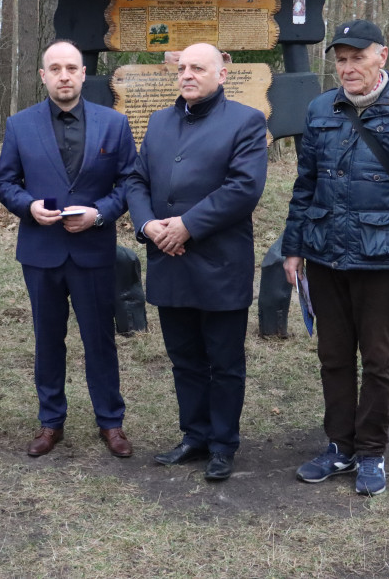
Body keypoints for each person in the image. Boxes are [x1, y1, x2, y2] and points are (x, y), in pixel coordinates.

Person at [282, 19, 389, 496]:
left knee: (377, 359)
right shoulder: (319, 108)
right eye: (341, 60)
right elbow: (305, 184)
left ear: (382, 57)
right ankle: (339, 446)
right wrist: (293, 247)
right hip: (326, 254)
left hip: (383, 260)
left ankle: (371, 451)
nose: (348, 68)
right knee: (333, 356)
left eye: (357, 58)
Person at [127, 42, 268, 481]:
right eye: (182, 67)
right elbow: (136, 179)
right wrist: (149, 226)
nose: (187, 74)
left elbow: (243, 188)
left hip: (219, 261)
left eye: (198, 68)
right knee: (184, 357)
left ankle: (224, 443)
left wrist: (186, 225)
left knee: (224, 360)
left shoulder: (245, 122)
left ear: (221, 74)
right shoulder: (159, 121)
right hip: (168, 260)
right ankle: (195, 434)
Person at [0, 40, 137, 458]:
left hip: (93, 249)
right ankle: (50, 421)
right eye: (54, 68)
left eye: (71, 68)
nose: (64, 75)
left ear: (83, 73)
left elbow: (129, 182)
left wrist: (100, 214)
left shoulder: (113, 124)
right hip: (41, 251)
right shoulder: (20, 124)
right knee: (47, 339)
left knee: (99, 339)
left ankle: (111, 421)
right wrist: (28, 206)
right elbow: (5, 182)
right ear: (43, 76)